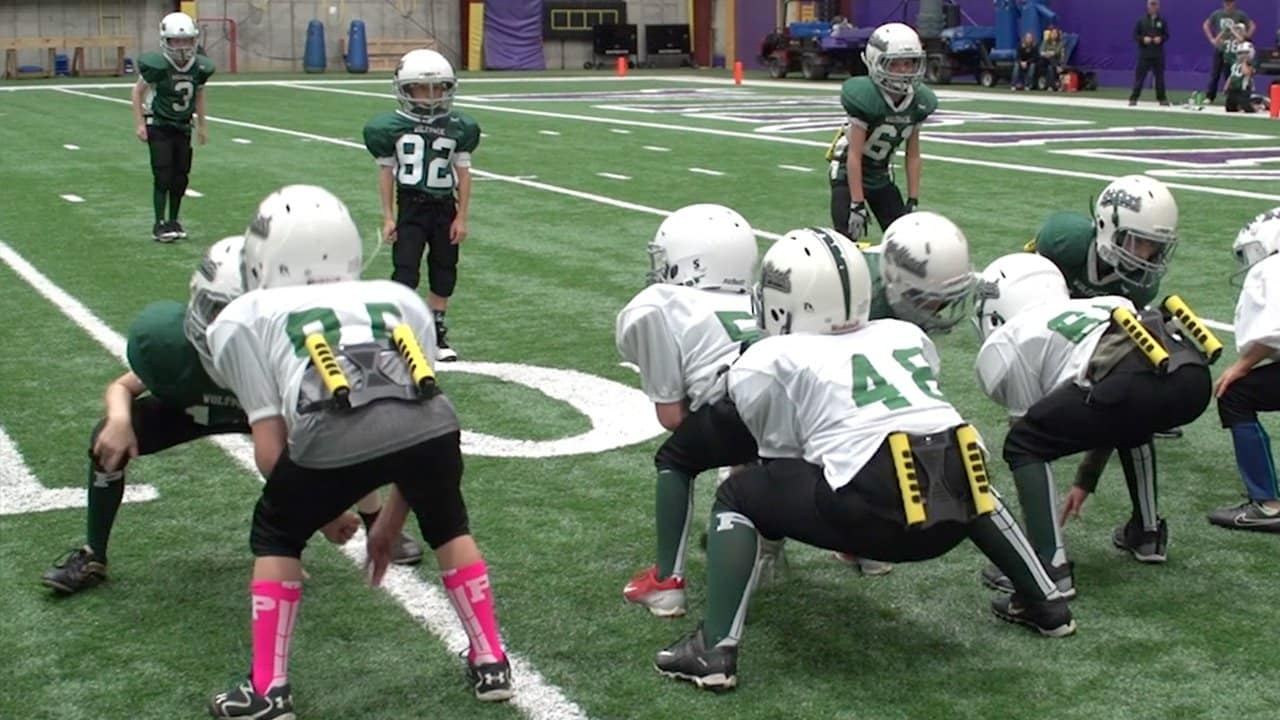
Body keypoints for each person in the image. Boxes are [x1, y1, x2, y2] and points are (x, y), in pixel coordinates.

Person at [654, 230, 1074, 691]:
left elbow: (778, 459)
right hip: (955, 501)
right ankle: (1047, 602)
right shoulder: (903, 334)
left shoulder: (773, 356)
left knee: (738, 495)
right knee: (968, 483)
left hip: (876, 513)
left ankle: (713, 650)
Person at [204, 186, 512, 717]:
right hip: (435, 428)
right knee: (449, 526)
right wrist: (388, 523)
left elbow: (270, 448)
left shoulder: (245, 315)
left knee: (275, 533)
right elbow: (412, 418)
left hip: (331, 424)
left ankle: (269, 689)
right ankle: (491, 661)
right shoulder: (399, 299)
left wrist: (321, 513)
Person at [39, 237, 422, 597]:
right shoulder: (175, 350)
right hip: (188, 410)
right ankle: (93, 553)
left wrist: (323, 514)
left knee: (337, 433)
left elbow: (293, 453)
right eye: (221, 312)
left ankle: (375, 524)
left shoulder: (283, 359)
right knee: (106, 439)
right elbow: (122, 387)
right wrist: (119, 421)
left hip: (260, 414)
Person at [973, 253, 1214, 598]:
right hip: (1191, 374)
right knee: (1134, 420)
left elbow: (1031, 426)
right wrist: (1086, 478)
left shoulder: (1014, 336)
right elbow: (1117, 405)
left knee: (1022, 443)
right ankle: (1147, 533)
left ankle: (1047, 565)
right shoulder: (1107, 302)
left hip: (1127, 384)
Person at [363, 49, 480, 362]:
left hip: (445, 206)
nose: (432, 95)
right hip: (411, 206)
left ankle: (436, 330)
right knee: (405, 269)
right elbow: (386, 174)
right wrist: (389, 217)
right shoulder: (390, 127)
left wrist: (462, 217)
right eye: (423, 89)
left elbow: (464, 175)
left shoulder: (459, 126)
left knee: (444, 269)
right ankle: (399, 330)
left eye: (438, 88)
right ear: (406, 89)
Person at [1207, 208, 1280, 532]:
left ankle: (1267, 505)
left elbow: (1276, 328)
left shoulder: (1272, 267)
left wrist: (1242, 366)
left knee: (1235, 394)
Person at [837, 22, 936, 240]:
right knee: (846, 240)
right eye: (895, 64)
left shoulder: (918, 101)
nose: (903, 70)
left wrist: (913, 199)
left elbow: (913, 155)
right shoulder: (867, 97)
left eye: (908, 63)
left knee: (904, 238)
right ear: (875, 61)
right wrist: (856, 203)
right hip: (847, 173)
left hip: (880, 174)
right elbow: (854, 156)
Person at [131, 12, 214, 242]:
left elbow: (199, 94)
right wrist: (140, 123)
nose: (182, 46)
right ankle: (158, 223)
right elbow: (137, 92)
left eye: (186, 40)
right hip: (159, 124)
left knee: (180, 178)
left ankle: (174, 220)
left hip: (183, 126)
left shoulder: (199, 66)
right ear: (165, 41)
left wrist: (202, 125)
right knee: (162, 174)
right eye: (176, 41)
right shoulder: (158, 65)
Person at [1201, 0, 1256, 106]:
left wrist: (1246, 37)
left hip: (1234, 49)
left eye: (1230, 3)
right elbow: (1206, 25)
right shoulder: (1217, 14)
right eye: (1226, 3)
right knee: (1215, 73)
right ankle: (1210, 96)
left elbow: (1252, 25)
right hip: (1221, 47)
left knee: (1232, 73)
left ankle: (1232, 96)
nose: (1228, 5)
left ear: (1234, 3)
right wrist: (1212, 39)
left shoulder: (1240, 14)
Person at [1130, 0, 1170, 106]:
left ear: (1158, 6)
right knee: (1140, 77)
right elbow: (1135, 35)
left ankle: (1162, 99)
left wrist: (1160, 39)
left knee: (1159, 78)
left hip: (1158, 54)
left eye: (1155, 4)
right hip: (1145, 53)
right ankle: (1134, 98)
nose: (1153, 7)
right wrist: (1143, 39)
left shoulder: (1162, 21)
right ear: (1147, 6)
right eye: (1151, 4)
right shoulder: (1141, 21)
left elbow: (1166, 35)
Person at [1223, 42, 1257, 113]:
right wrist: (1226, 86)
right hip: (1233, 89)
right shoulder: (1235, 63)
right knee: (1230, 108)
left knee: (1248, 109)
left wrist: (1244, 62)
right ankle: (1240, 105)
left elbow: (1246, 73)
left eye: (1245, 53)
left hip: (1243, 90)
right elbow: (1231, 76)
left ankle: (1259, 105)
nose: (1242, 55)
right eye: (1240, 53)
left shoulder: (1249, 64)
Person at [1040, 26, 1067, 92]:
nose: (1054, 35)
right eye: (1052, 33)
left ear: (1058, 35)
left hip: (1056, 60)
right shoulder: (1046, 41)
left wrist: (1048, 53)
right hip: (1045, 61)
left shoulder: (1060, 43)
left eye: (1055, 33)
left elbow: (1056, 52)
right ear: (1050, 34)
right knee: (1047, 59)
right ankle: (1057, 67)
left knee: (1050, 67)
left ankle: (1051, 86)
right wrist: (1048, 53)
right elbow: (1041, 52)